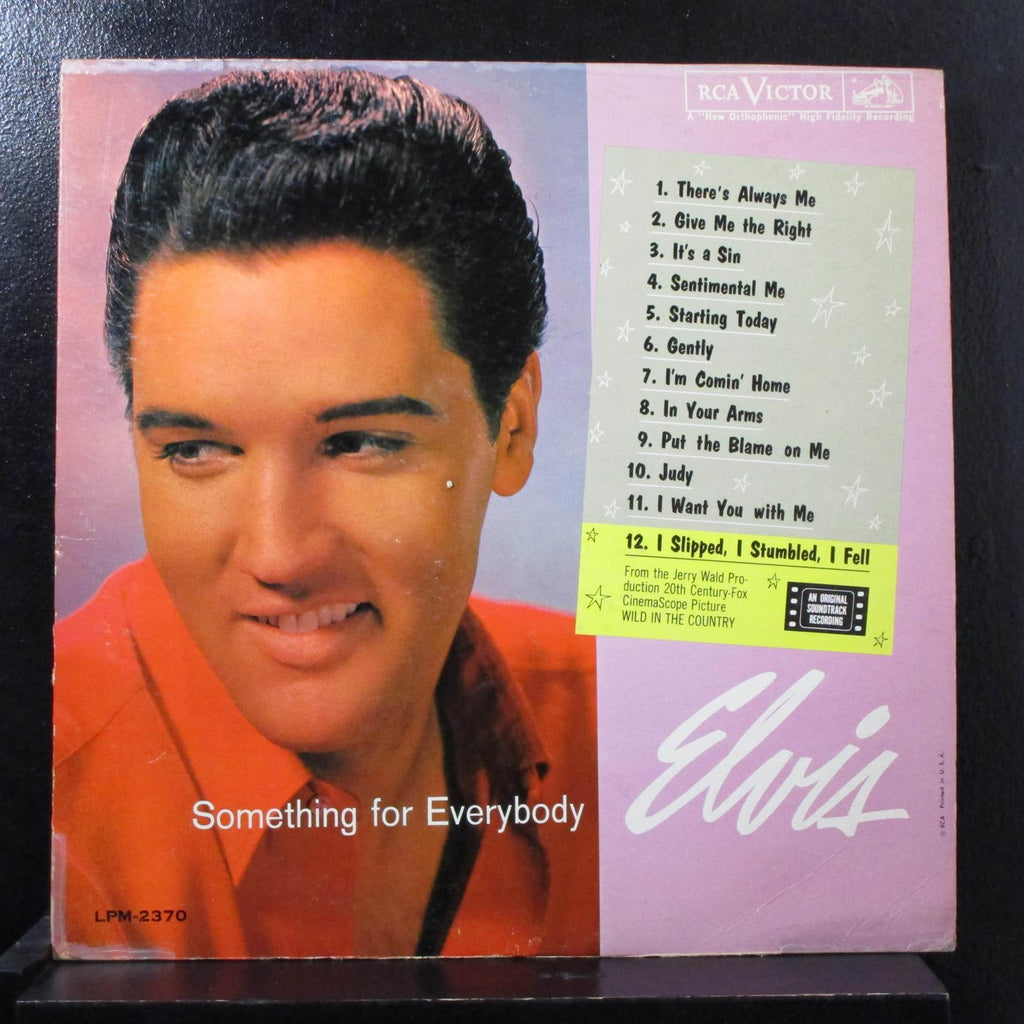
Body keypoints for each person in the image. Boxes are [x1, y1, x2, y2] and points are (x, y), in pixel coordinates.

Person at [52, 68, 598, 959]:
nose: (280, 555)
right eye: (195, 449)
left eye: (358, 443)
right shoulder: (48, 795)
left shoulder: (644, 726)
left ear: (513, 427)